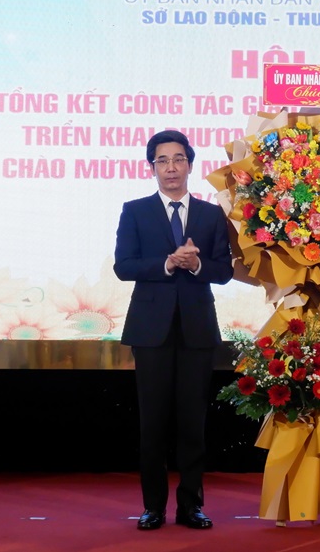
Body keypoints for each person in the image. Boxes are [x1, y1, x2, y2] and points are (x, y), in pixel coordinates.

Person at [113, 130, 234, 531]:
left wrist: (195, 265)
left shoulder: (211, 215)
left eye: (178, 159)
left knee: (192, 423)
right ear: (152, 167)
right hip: (151, 332)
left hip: (196, 331)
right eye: (162, 160)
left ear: (190, 165)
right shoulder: (135, 211)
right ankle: (153, 507)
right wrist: (168, 263)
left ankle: (191, 506)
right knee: (153, 423)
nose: (171, 167)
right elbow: (124, 266)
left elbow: (224, 270)